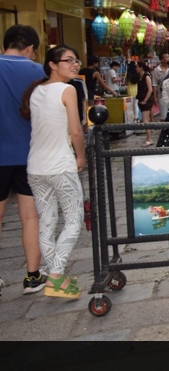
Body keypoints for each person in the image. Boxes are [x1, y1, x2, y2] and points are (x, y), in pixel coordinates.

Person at [20, 45, 86, 298]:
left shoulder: (36, 91)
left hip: (35, 167)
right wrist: (80, 155)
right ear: (52, 64)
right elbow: (76, 131)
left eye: (76, 60)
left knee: (47, 221)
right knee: (73, 219)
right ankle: (56, 275)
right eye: (68, 60)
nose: (75, 64)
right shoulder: (68, 90)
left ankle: (55, 276)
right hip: (60, 166)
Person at [0, 25, 47, 297]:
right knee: (30, 216)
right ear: (29, 47)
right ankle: (32, 277)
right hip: (31, 155)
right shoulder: (39, 72)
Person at [132, 61, 155, 146]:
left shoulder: (146, 76)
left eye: (137, 67)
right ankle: (148, 138)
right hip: (142, 100)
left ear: (141, 67)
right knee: (144, 120)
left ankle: (149, 139)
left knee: (145, 120)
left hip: (146, 101)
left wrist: (145, 99)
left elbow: (150, 89)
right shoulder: (140, 77)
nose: (136, 69)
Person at [151, 53, 169, 121]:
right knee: (163, 115)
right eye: (166, 57)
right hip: (161, 95)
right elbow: (154, 84)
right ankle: (164, 129)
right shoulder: (157, 70)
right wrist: (155, 96)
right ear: (162, 60)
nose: (168, 58)